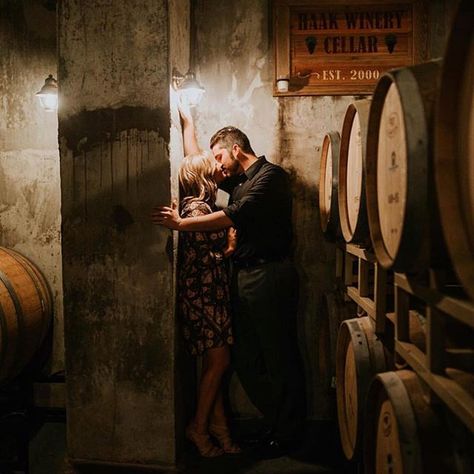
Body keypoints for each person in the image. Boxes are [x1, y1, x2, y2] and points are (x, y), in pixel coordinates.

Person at [152, 108, 306, 459]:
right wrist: (187, 122)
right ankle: (275, 422)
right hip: (243, 277)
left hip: (269, 275)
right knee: (246, 357)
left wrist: (179, 226)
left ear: (236, 149)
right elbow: (199, 166)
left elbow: (233, 214)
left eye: (220, 155)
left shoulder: (270, 177)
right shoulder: (234, 179)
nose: (218, 166)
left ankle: (289, 435)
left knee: (279, 355)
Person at [174, 148, 241, 457]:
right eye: (211, 163)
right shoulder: (197, 210)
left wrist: (187, 115)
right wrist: (228, 247)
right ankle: (198, 429)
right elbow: (205, 257)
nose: (218, 164)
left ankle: (220, 430)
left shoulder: (202, 206)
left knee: (214, 365)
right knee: (219, 362)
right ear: (201, 176)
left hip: (208, 293)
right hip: (203, 295)